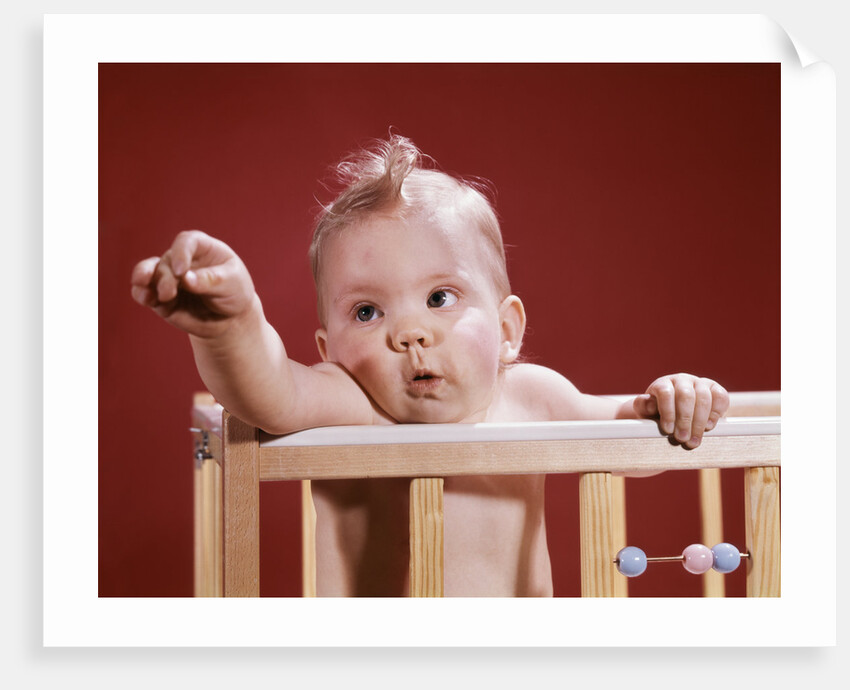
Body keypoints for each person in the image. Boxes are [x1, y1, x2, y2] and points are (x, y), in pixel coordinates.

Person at [131, 134, 729, 596]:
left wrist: (675, 399)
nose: (410, 331)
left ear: (505, 331)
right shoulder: (355, 404)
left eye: (440, 298)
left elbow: (632, 437)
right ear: (328, 350)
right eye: (366, 311)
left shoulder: (528, 397)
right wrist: (231, 324)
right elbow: (266, 392)